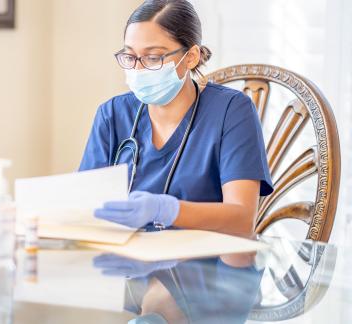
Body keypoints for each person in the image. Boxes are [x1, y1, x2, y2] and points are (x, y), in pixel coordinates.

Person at [80, 0, 273, 237]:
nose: (138, 70)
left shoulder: (231, 111)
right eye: (130, 57)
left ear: (191, 57)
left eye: (153, 58)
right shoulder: (112, 115)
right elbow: (84, 209)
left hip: (204, 267)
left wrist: (165, 210)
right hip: (127, 265)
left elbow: (241, 220)